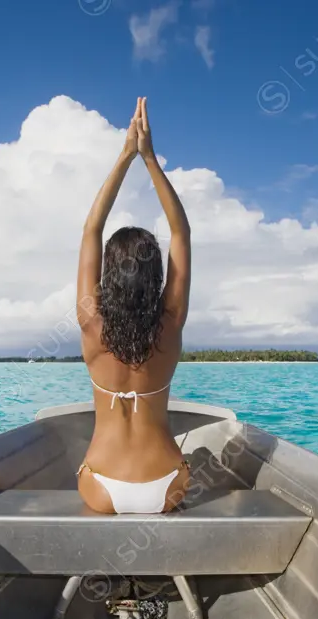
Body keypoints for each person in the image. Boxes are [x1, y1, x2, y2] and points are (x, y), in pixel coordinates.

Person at [75, 97, 192, 514]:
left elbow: (92, 229)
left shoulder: (91, 325)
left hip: (101, 487)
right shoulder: (171, 324)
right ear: (155, 275)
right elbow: (181, 233)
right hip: (168, 484)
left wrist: (126, 154)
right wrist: (150, 159)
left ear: (108, 274)